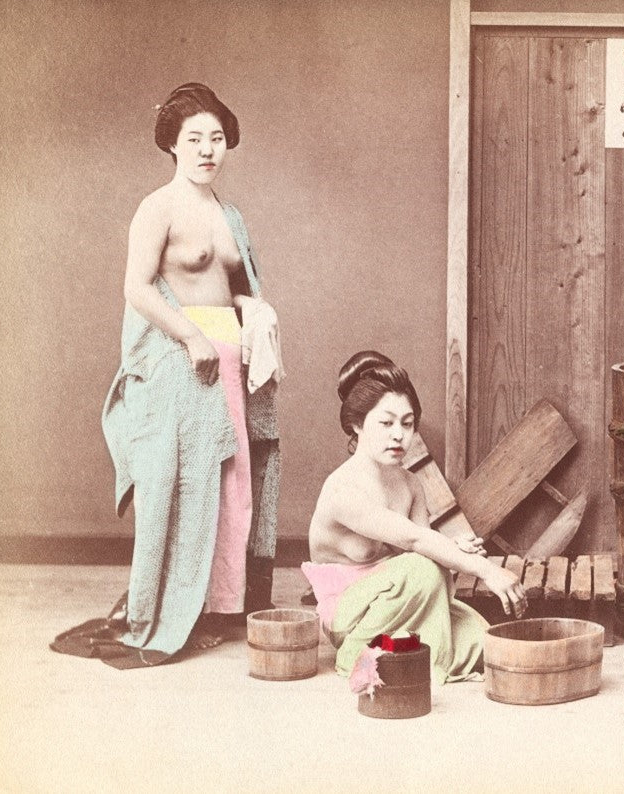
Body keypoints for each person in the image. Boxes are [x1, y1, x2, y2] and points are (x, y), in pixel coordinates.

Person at [51, 83, 282, 668]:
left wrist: (254, 312)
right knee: (184, 488)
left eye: (217, 138)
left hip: (232, 358)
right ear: (173, 146)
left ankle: (220, 606)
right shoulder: (157, 207)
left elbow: (239, 286)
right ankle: (172, 606)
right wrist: (190, 335)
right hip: (185, 361)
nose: (208, 149)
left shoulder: (230, 215)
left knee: (234, 488)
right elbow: (136, 287)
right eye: (194, 139)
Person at [302, 351, 526, 685]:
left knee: (485, 642)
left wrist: (453, 550)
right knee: (424, 565)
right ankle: (355, 655)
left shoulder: (410, 483)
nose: (399, 435)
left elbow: (425, 555)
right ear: (357, 424)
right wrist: (488, 570)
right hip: (350, 615)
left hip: (401, 604)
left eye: (407, 424)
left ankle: (404, 658)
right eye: (386, 423)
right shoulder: (343, 490)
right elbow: (415, 542)